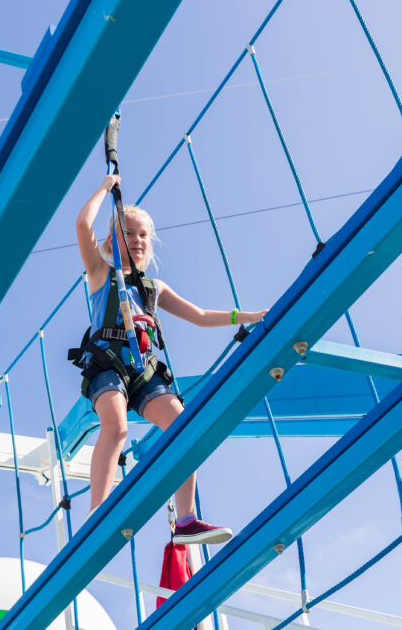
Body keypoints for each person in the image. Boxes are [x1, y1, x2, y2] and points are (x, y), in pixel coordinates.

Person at [74, 174, 267, 545]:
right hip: (108, 363)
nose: (139, 240)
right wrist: (104, 188)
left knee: (184, 428)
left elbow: (199, 315)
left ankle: (187, 520)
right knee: (116, 427)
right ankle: (98, 510)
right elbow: (83, 225)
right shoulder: (101, 274)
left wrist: (248, 317)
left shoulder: (153, 287)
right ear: (113, 240)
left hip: (143, 368)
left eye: (144, 235)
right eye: (129, 233)